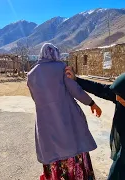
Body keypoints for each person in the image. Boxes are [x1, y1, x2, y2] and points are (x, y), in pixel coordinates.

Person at [27, 43, 102, 180]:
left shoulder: (31, 74)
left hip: (45, 125)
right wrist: (91, 103)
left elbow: (35, 98)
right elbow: (75, 90)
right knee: (73, 150)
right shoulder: (61, 68)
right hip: (67, 120)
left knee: (53, 155)